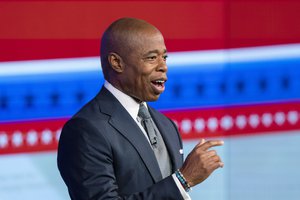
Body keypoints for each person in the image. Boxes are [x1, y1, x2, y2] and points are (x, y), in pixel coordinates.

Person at [57, 17, 224, 200]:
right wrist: (182, 181)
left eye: (164, 57)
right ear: (117, 63)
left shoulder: (167, 126)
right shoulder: (85, 129)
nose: (163, 67)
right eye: (152, 58)